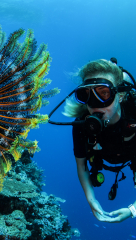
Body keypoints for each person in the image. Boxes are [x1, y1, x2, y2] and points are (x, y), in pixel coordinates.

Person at [62, 59, 136, 223]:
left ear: (120, 95)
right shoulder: (81, 123)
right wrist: (91, 200)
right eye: (86, 95)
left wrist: (133, 210)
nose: (95, 104)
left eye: (104, 93)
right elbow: (81, 166)